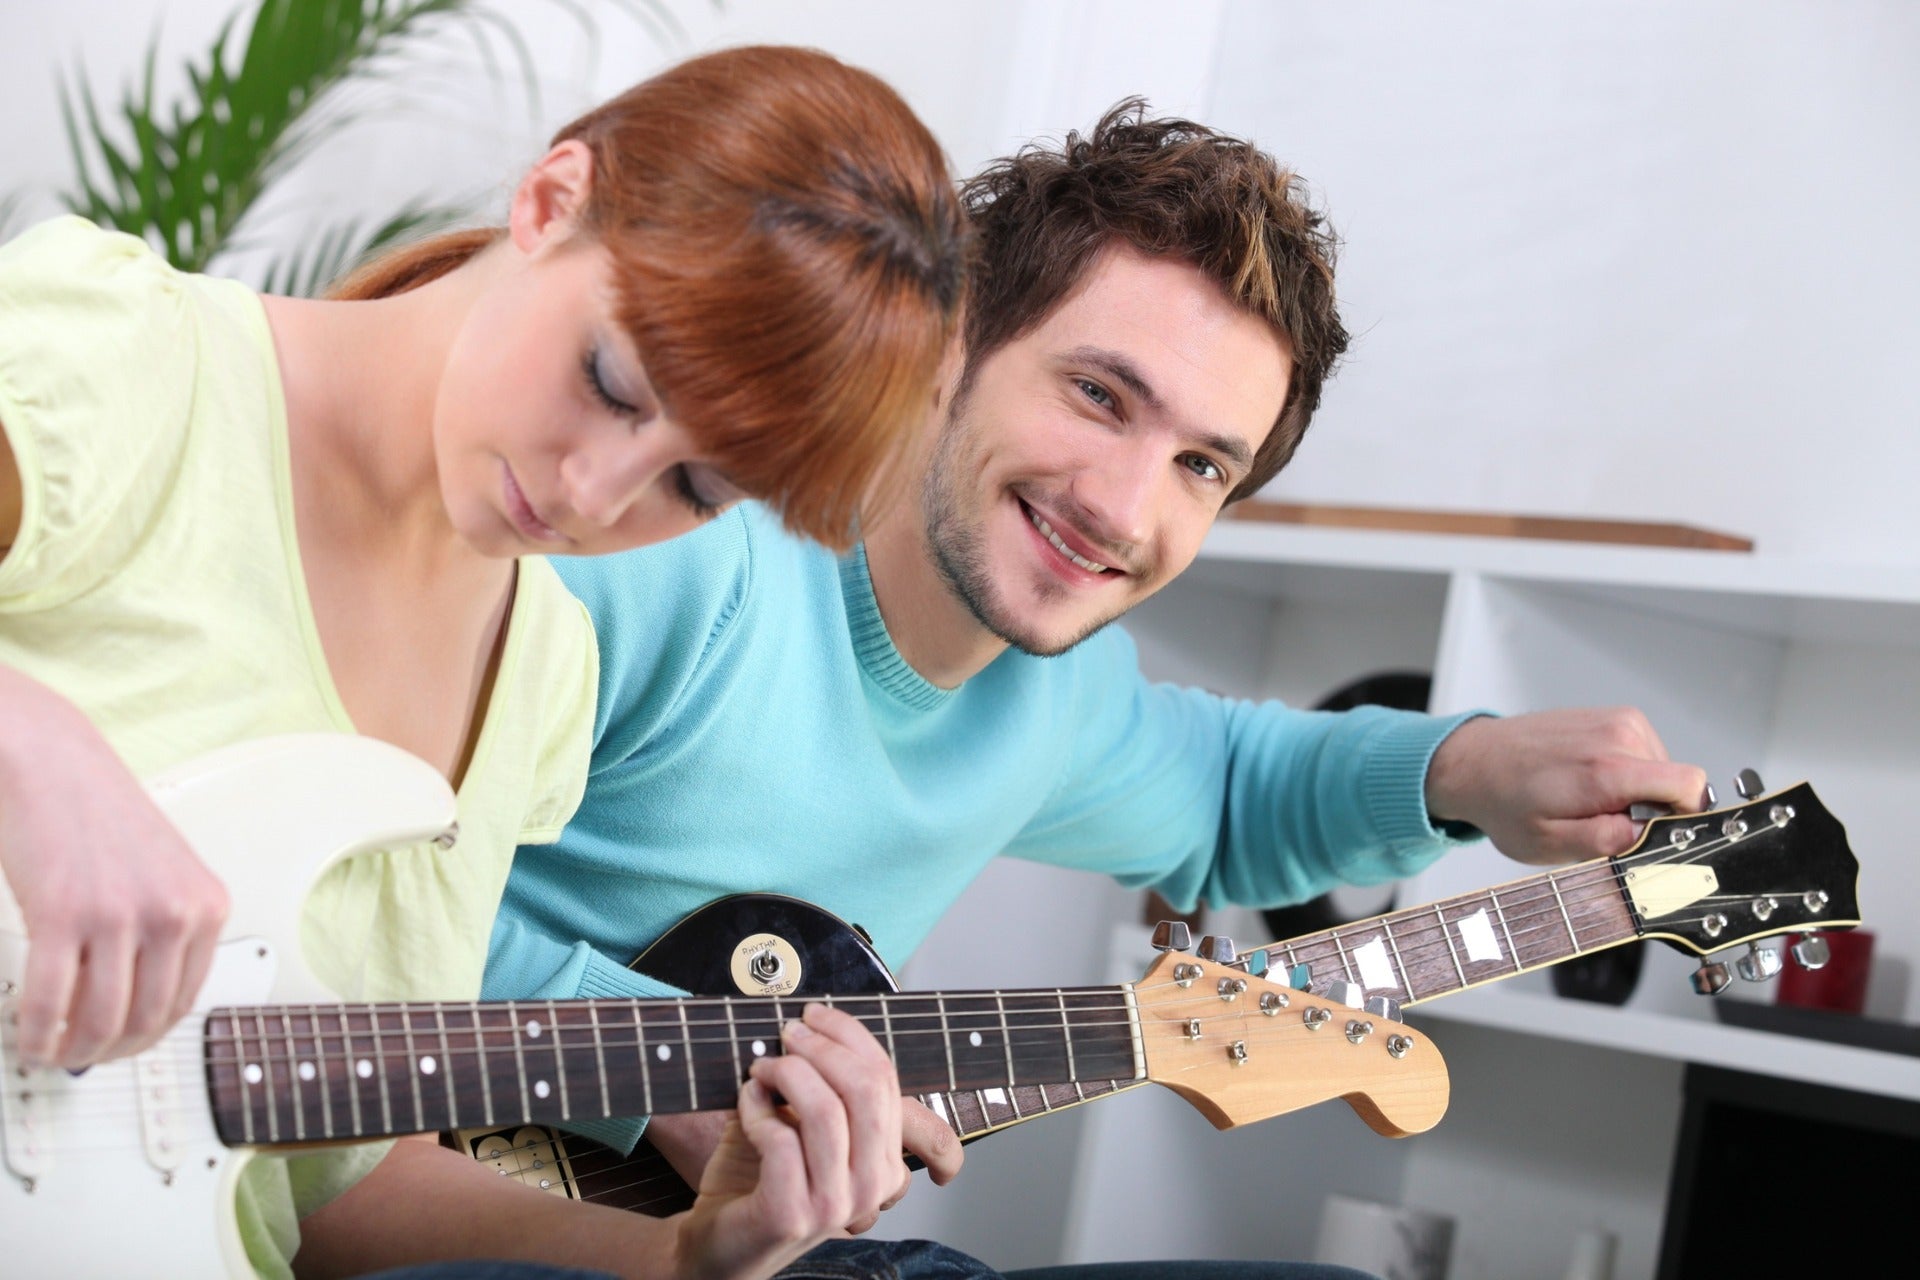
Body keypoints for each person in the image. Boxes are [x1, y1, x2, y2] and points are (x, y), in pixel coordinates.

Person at [479, 102, 1710, 1279]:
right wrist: (660, 1071)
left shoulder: (1053, 700)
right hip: (381, 1179)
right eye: (1099, 394)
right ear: (950, 342)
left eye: (1198, 464)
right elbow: (323, 884)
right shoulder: (687, 542)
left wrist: (1469, 768)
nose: (1123, 508)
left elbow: (1228, 794)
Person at [0, 44, 965, 1280]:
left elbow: (341, 1187)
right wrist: (31, 742)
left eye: (694, 483)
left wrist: (689, 1252)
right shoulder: (133, 362)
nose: (593, 491)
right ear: (551, 201)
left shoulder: (544, 674)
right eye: (611, 379)